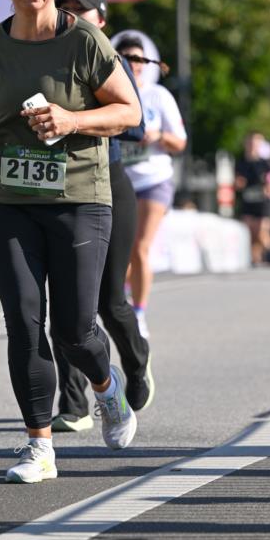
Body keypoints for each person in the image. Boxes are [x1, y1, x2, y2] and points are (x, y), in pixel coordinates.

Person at [0, 0, 141, 483]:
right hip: (10, 202)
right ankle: (39, 446)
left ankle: (106, 387)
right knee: (23, 323)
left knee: (74, 329)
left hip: (79, 199)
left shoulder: (83, 40)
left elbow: (129, 111)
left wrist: (72, 120)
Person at [49, 0, 153, 432]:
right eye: (66, 8)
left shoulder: (109, 59)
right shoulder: (45, 55)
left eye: (82, 9)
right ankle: (73, 404)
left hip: (108, 185)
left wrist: (77, 119)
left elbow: (137, 126)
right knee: (67, 306)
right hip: (60, 186)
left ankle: (136, 363)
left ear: (102, 20)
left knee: (110, 302)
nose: (72, 16)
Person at [112, 33, 187, 339]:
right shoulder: (107, 94)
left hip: (154, 181)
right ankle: (122, 300)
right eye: (128, 58)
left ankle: (139, 313)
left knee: (140, 246)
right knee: (120, 251)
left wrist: (157, 137)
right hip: (120, 182)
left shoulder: (158, 96)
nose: (135, 64)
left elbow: (180, 142)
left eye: (140, 59)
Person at [235, 131, 270, 265]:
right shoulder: (240, 162)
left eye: (256, 143)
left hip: (266, 204)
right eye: (250, 143)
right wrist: (238, 184)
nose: (253, 146)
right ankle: (256, 261)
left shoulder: (269, 163)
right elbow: (235, 184)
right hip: (248, 202)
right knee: (250, 235)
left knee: (262, 234)